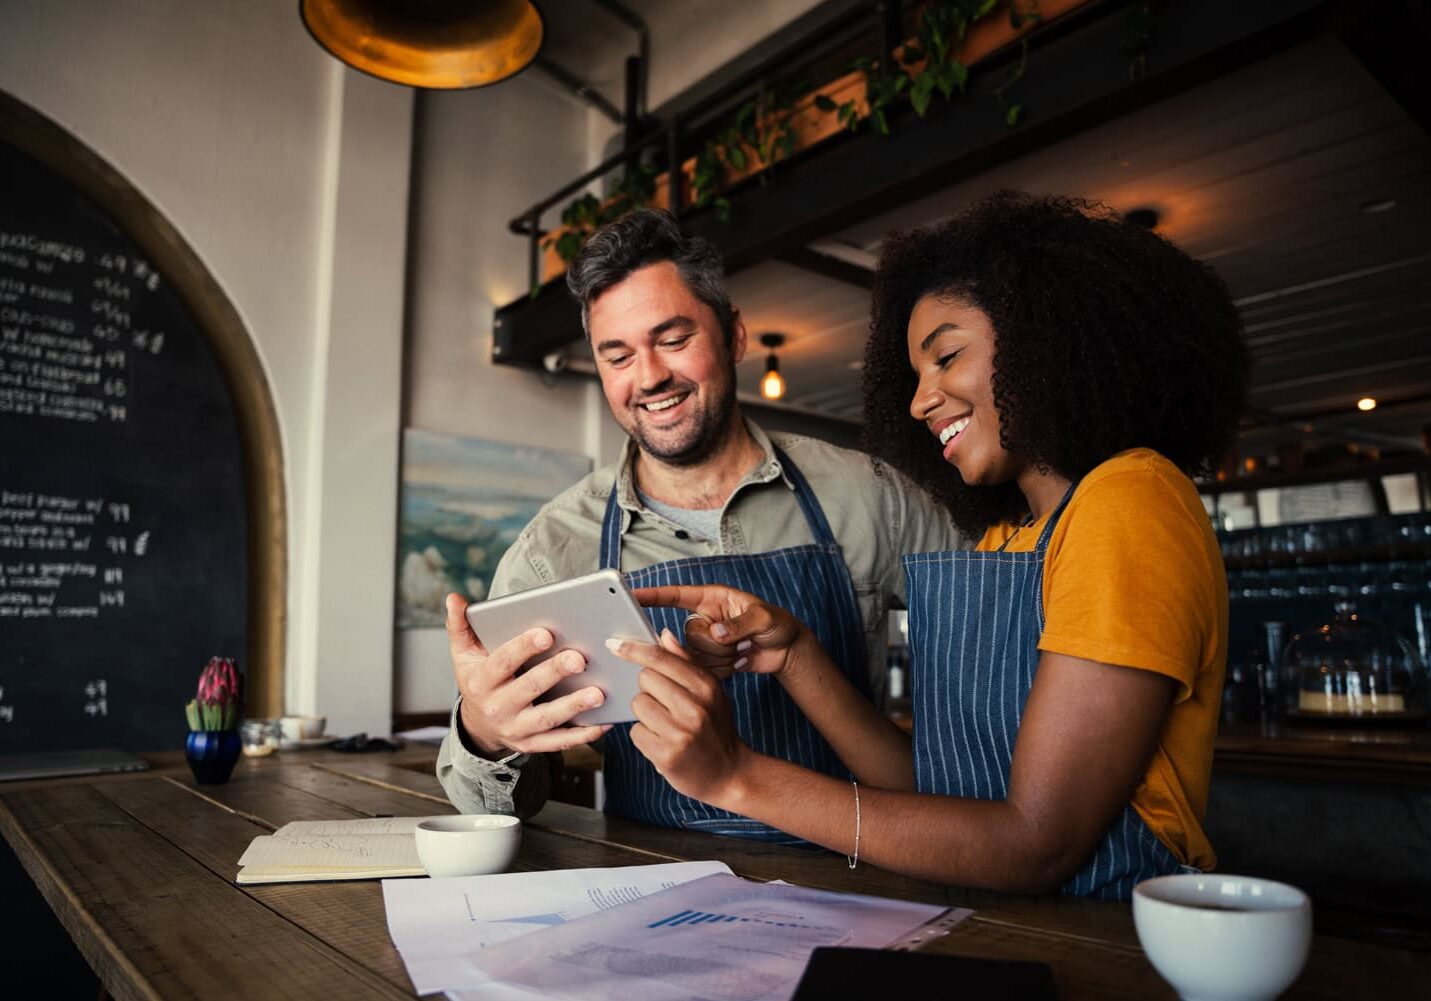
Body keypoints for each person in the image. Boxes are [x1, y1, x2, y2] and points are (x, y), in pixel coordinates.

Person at [611, 192, 1249, 898]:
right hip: (1002, 926)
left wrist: (733, 776)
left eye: (946, 356)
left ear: (1045, 336)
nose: (919, 401)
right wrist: (794, 654)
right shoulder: (1014, 536)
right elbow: (937, 794)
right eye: (914, 375)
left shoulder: (1130, 500)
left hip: (1109, 935)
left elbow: (1034, 841)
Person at [436, 209, 965, 839]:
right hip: (650, 889)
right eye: (618, 355)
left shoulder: (873, 495)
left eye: (674, 338)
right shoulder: (554, 550)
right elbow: (496, 813)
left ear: (734, 336)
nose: (650, 376)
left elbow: (993, 681)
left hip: (869, 875)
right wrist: (486, 734)